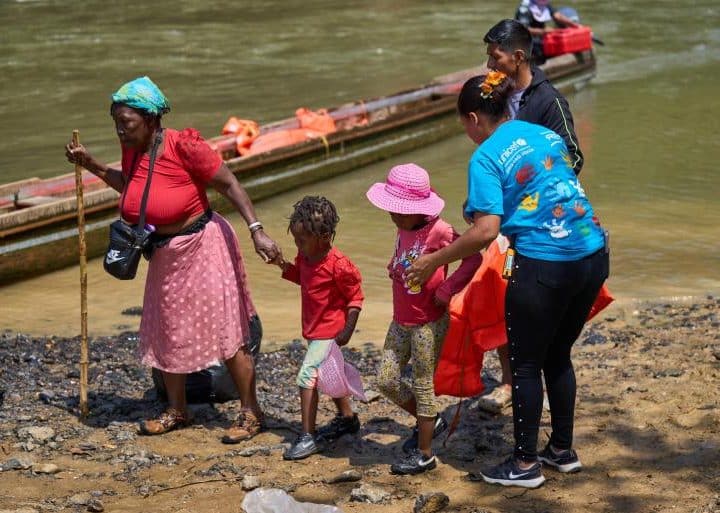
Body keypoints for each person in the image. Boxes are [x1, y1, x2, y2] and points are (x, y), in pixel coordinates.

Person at [406, 72, 608, 488]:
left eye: (463, 123)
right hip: (593, 254)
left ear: (475, 118)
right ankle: (562, 452)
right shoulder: (540, 133)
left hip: (545, 265)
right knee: (558, 355)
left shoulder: (483, 158)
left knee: (527, 363)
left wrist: (433, 261)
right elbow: (552, 185)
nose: (465, 131)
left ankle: (524, 464)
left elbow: (484, 231)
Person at [65, 76, 279, 441]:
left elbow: (230, 185)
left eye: (127, 124)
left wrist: (256, 229)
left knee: (228, 330)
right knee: (169, 330)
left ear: (151, 120)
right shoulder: (133, 148)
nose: (121, 130)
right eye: (116, 123)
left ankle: (250, 412)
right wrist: (92, 165)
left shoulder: (185, 146)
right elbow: (134, 187)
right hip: (164, 253)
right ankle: (177, 410)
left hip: (204, 245)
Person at [477, 18, 586, 414]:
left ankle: (533, 375)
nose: (490, 64)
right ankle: (510, 379)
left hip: (543, 220)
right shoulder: (498, 93)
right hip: (504, 216)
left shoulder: (548, 102)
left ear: (518, 57)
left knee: (531, 301)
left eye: (495, 57)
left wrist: (531, 188)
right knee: (502, 292)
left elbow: (573, 157)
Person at [365, 163, 482, 475]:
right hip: (400, 318)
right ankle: (430, 421)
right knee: (386, 380)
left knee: (422, 383)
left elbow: (473, 257)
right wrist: (394, 266)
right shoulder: (404, 226)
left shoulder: (440, 231)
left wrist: (447, 289)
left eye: (399, 210)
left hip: (428, 323)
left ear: (418, 208)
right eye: (391, 210)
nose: (393, 215)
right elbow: (405, 254)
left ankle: (425, 453)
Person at [274, 196, 365, 461]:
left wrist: (347, 330)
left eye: (301, 241)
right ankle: (347, 418)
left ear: (324, 236)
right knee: (329, 376)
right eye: (295, 241)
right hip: (314, 330)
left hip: (330, 332)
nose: (297, 246)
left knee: (307, 376)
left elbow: (355, 299)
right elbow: (301, 278)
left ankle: (307, 436)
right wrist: (281, 263)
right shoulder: (306, 257)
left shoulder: (339, 265)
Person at [515, 0, 579, 64]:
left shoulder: (542, 2)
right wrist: (543, 31)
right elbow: (523, 29)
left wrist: (575, 26)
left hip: (540, 37)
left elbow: (558, 16)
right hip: (527, 40)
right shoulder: (524, 8)